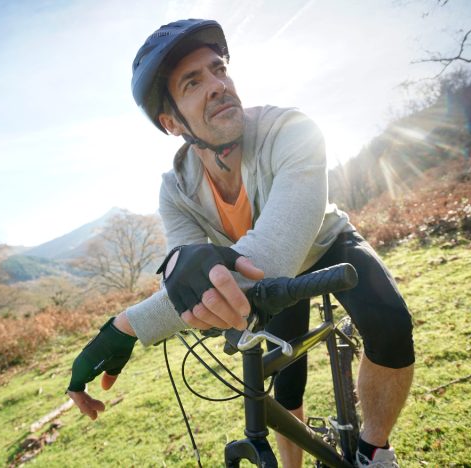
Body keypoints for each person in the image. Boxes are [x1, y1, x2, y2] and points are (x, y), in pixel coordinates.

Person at [67, 19, 415, 468]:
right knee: (285, 382)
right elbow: (188, 276)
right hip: (265, 277)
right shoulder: (175, 191)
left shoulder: (292, 130)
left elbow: (270, 256)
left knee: (390, 324)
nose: (217, 85)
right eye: (194, 82)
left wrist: (125, 328)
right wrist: (186, 292)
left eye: (219, 70)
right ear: (172, 122)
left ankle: (373, 447)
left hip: (324, 243)